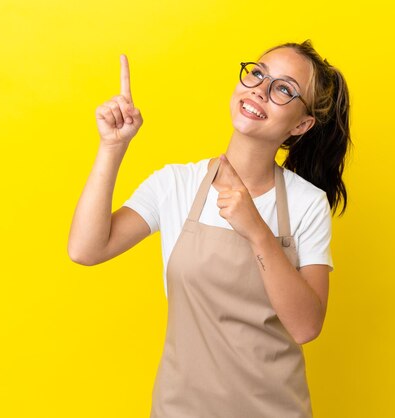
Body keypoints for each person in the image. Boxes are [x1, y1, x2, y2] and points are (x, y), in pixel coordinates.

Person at [68, 39, 351, 418]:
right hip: (180, 409)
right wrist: (111, 147)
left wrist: (256, 230)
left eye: (283, 89)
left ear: (301, 124)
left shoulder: (306, 203)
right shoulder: (175, 184)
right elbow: (86, 250)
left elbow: (306, 327)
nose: (260, 91)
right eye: (258, 74)